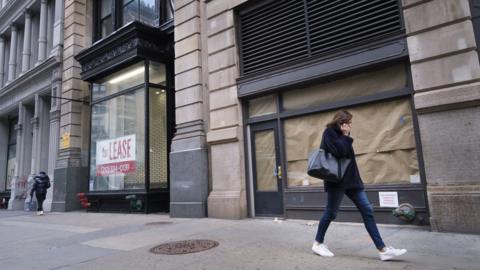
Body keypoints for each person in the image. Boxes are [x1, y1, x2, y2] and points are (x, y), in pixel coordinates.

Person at [311, 110, 407, 261]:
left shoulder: (344, 136)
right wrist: (345, 136)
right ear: (341, 122)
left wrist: (346, 137)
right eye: (348, 123)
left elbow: (349, 161)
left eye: (350, 123)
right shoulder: (329, 133)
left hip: (352, 181)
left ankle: (383, 250)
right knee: (331, 213)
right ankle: (317, 243)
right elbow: (340, 152)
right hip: (337, 182)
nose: (350, 125)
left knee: (367, 210)